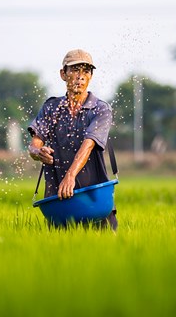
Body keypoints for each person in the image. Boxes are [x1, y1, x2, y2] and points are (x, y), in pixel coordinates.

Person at [27, 49, 118, 230]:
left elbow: (88, 145)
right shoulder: (51, 108)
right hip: (59, 200)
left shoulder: (100, 109)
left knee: (106, 252)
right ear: (63, 74)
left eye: (86, 71)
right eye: (75, 70)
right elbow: (34, 144)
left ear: (91, 77)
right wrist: (39, 152)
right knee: (62, 254)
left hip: (95, 198)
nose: (80, 77)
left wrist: (70, 175)